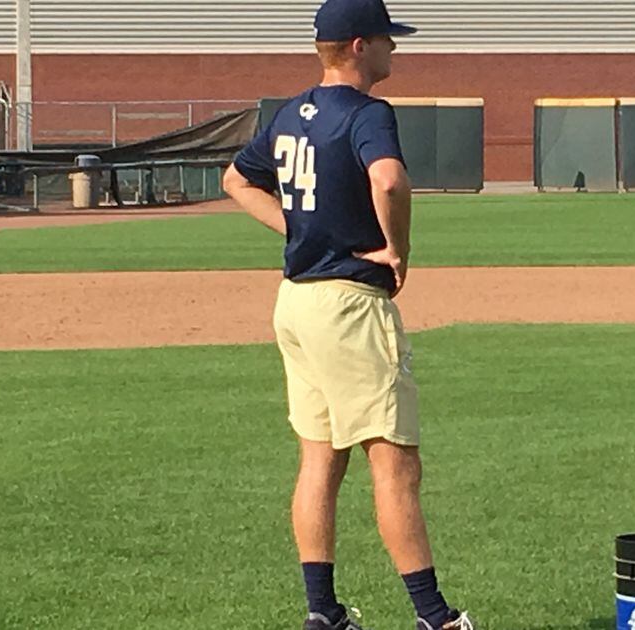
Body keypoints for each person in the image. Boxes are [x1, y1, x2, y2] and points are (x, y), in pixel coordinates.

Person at [221, 0, 474, 628]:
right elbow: (388, 181)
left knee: (320, 458)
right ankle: (434, 617)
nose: (396, 50)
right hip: (348, 305)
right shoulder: (366, 113)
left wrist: (297, 226)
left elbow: (234, 179)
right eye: (389, 40)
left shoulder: (289, 113)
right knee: (394, 463)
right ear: (359, 45)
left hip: (297, 299)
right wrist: (399, 250)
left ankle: (322, 613)